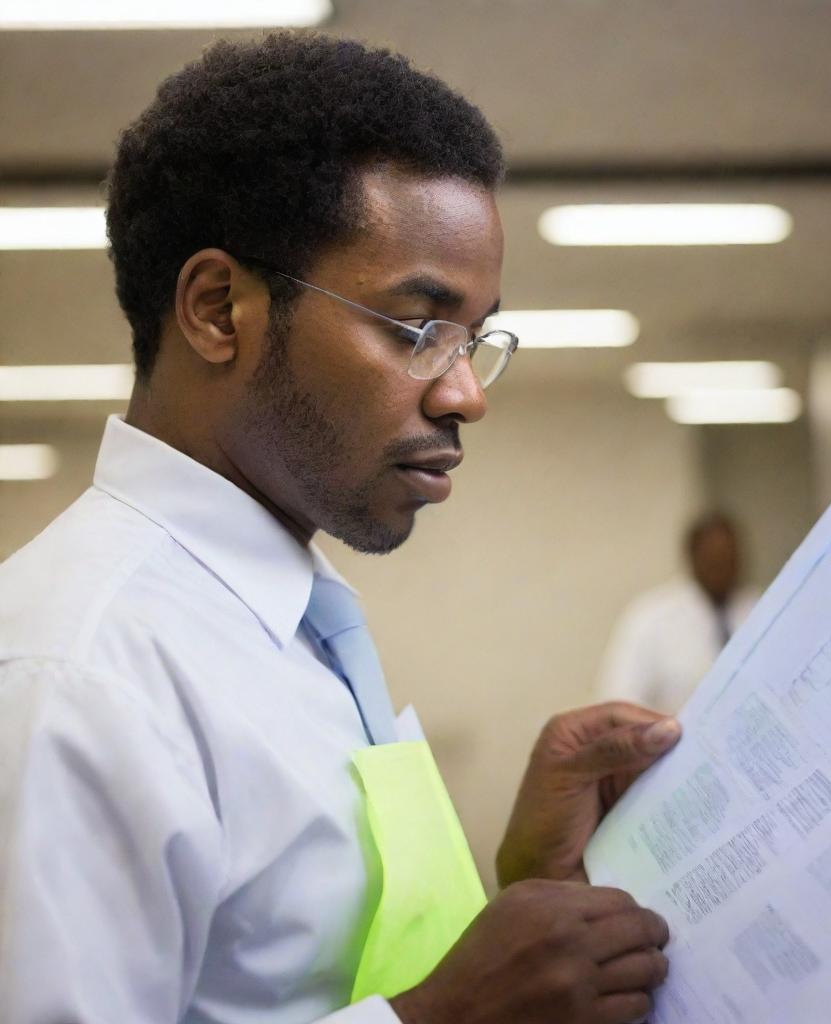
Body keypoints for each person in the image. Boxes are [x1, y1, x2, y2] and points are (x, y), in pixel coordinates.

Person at [0, 33, 682, 1024]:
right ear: (217, 309)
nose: (463, 394)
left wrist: (531, 890)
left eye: (475, 339)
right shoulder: (81, 675)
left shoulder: (285, 614)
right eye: (416, 329)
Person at [598, 512, 760, 714]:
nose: (722, 567)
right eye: (714, 559)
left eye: (729, 557)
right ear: (692, 556)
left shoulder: (760, 610)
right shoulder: (649, 618)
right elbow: (619, 702)